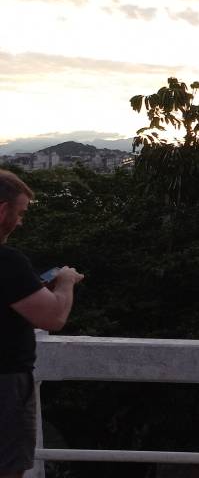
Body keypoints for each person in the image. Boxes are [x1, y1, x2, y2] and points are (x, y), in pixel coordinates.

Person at [1, 169, 84, 478]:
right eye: (20, 213)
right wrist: (65, 281)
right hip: (5, 384)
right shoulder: (7, 261)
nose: (21, 222)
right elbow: (53, 316)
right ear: (2, 210)